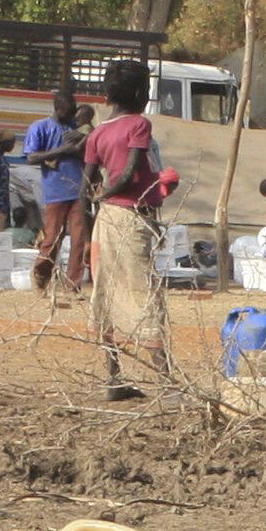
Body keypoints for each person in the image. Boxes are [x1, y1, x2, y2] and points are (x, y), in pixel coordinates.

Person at [82, 59, 174, 390]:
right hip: (131, 218)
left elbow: (85, 185)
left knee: (105, 292)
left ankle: (113, 378)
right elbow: (130, 172)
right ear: (138, 92)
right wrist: (111, 192)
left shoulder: (98, 133)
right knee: (145, 295)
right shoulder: (139, 125)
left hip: (104, 221)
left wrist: (95, 206)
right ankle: (168, 383)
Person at [25, 85, 84, 303]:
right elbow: (31, 157)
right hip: (55, 189)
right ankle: (41, 275)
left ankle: (73, 285)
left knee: (79, 238)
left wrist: (83, 140)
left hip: (79, 188)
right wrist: (62, 151)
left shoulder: (76, 129)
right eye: (69, 111)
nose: (72, 115)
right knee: (53, 237)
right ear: (58, 109)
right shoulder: (41, 127)